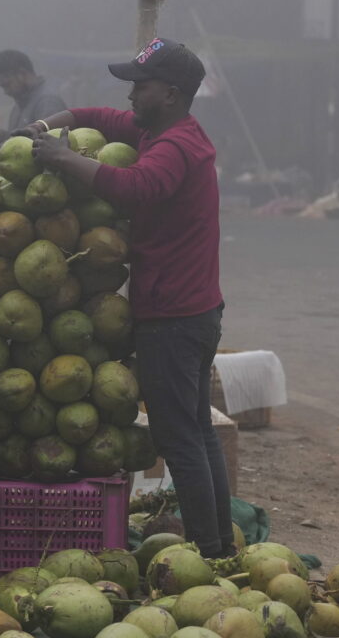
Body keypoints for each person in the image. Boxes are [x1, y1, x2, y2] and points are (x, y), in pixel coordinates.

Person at [19, 37, 233, 559]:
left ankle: (208, 554)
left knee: (179, 440)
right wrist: (49, 125)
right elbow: (100, 116)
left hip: (175, 317)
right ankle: (221, 547)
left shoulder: (176, 147)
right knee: (197, 433)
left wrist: (64, 160)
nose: (132, 94)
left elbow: (135, 187)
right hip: (195, 310)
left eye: (142, 85)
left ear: (173, 93)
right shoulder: (163, 128)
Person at [0, 49, 67, 141]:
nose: (6, 92)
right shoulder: (19, 105)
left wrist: (2, 136)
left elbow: (49, 145)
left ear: (22, 73)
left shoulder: (47, 102)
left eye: (7, 85)